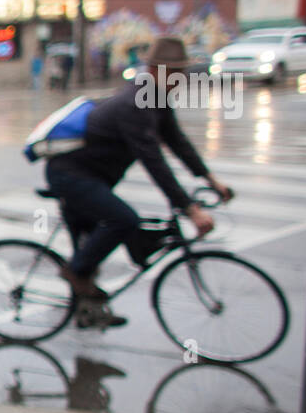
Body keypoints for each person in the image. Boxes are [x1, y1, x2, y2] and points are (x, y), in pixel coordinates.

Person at [45, 37, 234, 328]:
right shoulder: (136, 103)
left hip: (93, 177)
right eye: (176, 73)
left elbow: (178, 143)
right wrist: (190, 209)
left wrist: (212, 180)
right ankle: (75, 275)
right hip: (70, 175)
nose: (180, 79)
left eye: (182, 73)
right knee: (123, 221)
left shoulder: (154, 98)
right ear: (156, 70)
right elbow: (154, 162)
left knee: (90, 245)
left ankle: (88, 311)